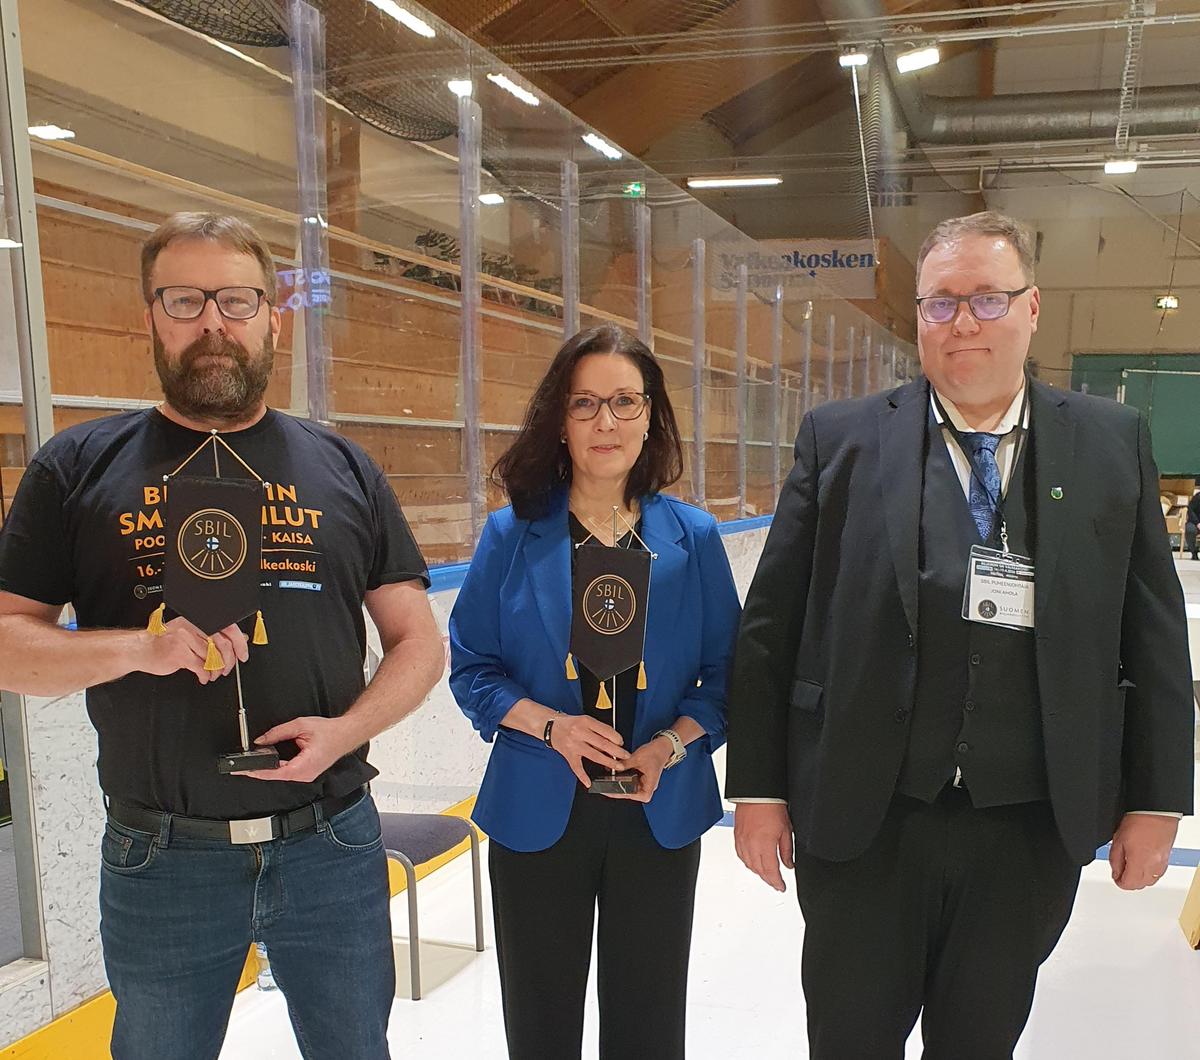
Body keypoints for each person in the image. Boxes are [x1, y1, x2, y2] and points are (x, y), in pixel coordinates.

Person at [725, 211, 1194, 1058]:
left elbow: (1153, 635)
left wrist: (1155, 802)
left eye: (987, 298)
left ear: (1033, 307)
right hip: (863, 819)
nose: (963, 321)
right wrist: (756, 788)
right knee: (849, 1040)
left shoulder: (1108, 442)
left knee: (980, 1041)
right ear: (918, 316)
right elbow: (771, 626)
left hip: (1026, 827)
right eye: (940, 302)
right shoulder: (841, 439)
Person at [0, 213, 444, 1059]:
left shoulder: (344, 467)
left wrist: (348, 731)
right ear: (150, 317)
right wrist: (139, 648)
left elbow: (418, 642)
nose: (213, 322)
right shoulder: (76, 467)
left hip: (331, 841)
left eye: (237, 300)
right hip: (162, 856)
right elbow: (8, 644)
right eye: (185, 300)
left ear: (272, 318)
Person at [449, 325, 740, 1060]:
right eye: (584, 404)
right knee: (540, 1028)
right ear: (560, 420)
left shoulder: (695, 538)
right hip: (538, 807)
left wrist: (668, 745)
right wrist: (555, 727)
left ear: (651, 417)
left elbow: (726, 679)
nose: (605, 422)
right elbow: (473, 669)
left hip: (657, 808)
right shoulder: (510, 535)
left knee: (648, 1028)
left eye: (624, 402)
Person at [1184, 481, 1200, 559]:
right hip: (1195, 522)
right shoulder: (1197, 497)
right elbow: (1190, 510)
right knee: (1190, 530)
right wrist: (1197, 523)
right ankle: (1193, 552)